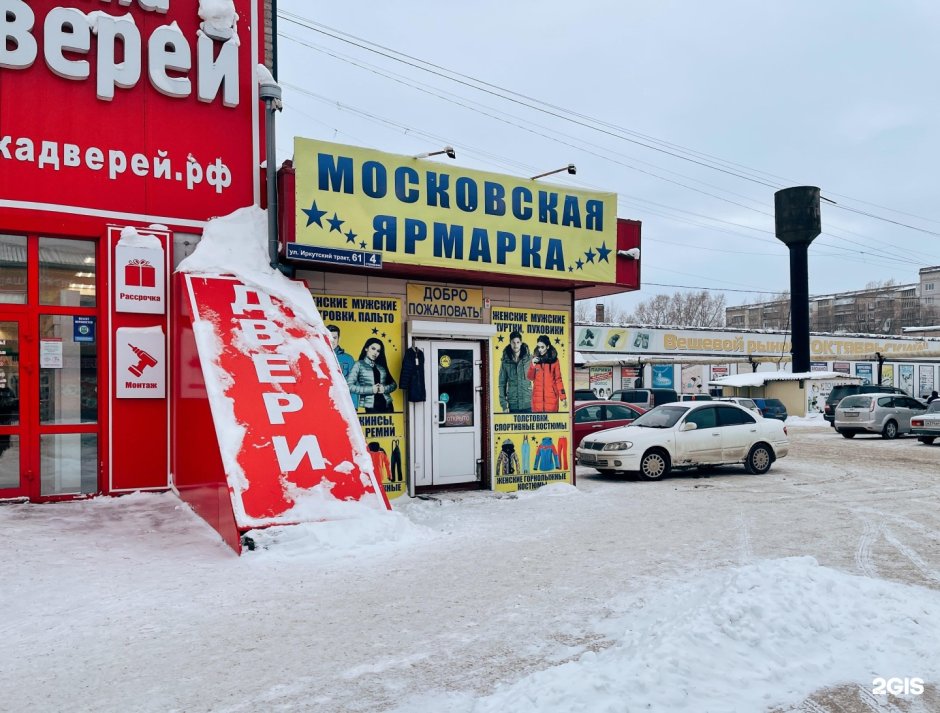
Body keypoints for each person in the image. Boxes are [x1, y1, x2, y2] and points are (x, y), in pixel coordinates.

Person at [346, 338, 397, 413]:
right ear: (366, 348)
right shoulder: (358, 364)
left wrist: (384, 389)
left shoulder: (381, 367)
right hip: (371, 406)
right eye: (373, 348)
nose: (375, 353)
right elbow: (349, 386)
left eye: (378, 351)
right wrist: (371, 389)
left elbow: (394, 385)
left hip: (388, 404)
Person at [527, 335, 567, 412]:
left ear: (547, 347)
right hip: (537, 400)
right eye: (538, 347)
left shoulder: (555, 361)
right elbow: (530, 378)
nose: (540, 350)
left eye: (542, 347)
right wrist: (532, 366)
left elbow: (558, 380)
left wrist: (563, 397)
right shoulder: (535, 359)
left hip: (551, 399)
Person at [498, 331, 532, 413]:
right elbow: (502, 384)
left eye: (518, 342)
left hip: (528, 404)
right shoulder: (505, 362)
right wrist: (504, 405)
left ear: (521, 343)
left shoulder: (529, 359)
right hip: (513, 405)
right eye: (513, 342)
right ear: (510, 343)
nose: (515, 345)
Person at [327, 325, 358, 408]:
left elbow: (353, 383)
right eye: (329, 337)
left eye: (334, 338)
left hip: (345, 404)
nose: (332, 340)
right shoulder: (318, 358)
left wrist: (354, 405)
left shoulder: (348, 359)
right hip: (326, 403)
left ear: (339, 339)